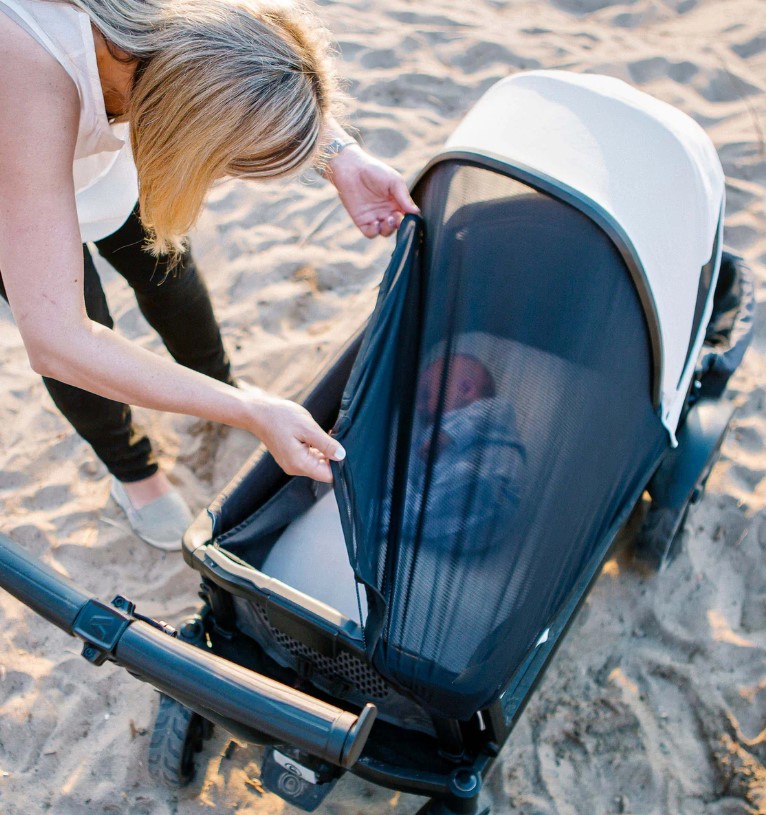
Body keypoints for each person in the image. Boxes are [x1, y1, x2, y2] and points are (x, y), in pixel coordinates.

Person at [0, 0, 419, 549]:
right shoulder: (29, 77)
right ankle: (134, 472)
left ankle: (215, 379)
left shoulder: (171, 39)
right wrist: (252, 412)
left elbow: (245, 56)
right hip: (12, 152)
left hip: (120, 112)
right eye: (222, 166)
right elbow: (60, 343)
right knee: (83, 317)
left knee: (167, 271)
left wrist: (339, 154)